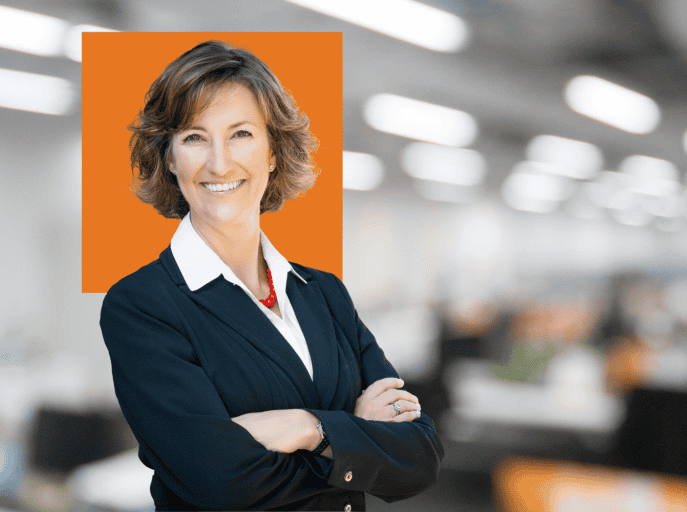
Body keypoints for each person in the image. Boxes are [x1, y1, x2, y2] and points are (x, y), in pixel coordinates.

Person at [99, 40, 443, 511]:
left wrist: (308, 428)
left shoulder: (324, 293)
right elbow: (218, 481)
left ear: (274, 152)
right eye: (195, 138)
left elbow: (419, 456)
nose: (219, 162)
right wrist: (355, 434)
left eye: (240, 134)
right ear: (170, 158)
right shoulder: (142, 305)